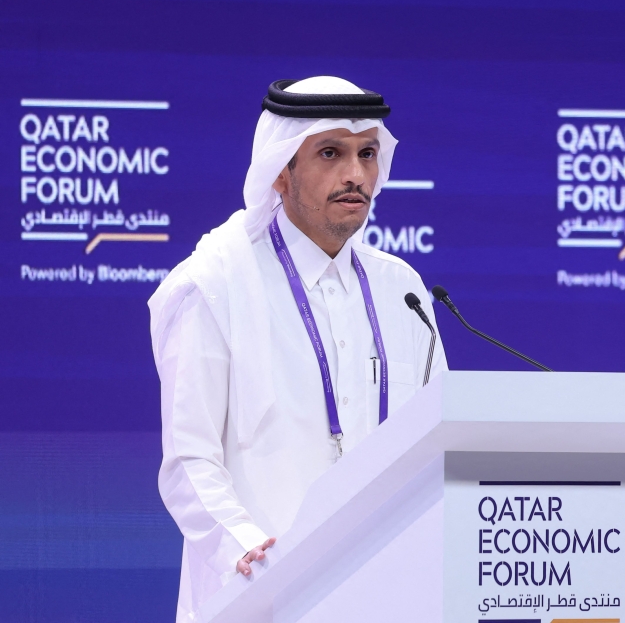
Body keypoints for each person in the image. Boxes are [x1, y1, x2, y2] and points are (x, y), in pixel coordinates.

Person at [148, 76, 447, 622]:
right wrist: (249, 553)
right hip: (256, 597)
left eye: (367, 153)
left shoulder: (402, 289)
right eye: (330, 153)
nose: (355, 174)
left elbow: (437, 441)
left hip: (386, 597)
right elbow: (189, 461)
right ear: (281, 171)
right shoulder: (215, 285)